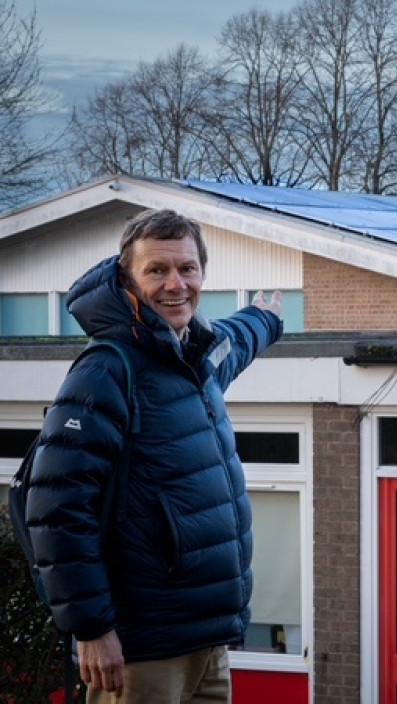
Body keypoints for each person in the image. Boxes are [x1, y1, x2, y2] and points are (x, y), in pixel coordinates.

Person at [26, 208, 284, 703]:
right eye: (157, 270)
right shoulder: (106, 371)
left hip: (207, 641)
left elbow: (239, 339)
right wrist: (93, 629)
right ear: (128, 281)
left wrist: (266, 319)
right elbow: (57, 510)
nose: (175, 284)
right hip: (140, 651)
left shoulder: (195, 360)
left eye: (187, 269)